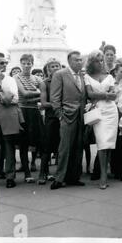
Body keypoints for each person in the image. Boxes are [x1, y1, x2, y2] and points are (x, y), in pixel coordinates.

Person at [50, 50, 87, 189]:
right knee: (64, 148)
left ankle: (74, 177)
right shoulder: (60, 74)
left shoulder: (83, 76)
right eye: (76, 60)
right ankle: (59, 178)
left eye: (80, 60)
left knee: (78, 147)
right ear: (69, 61)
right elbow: (54, 97)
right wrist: (59, 114)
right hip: (67, 115)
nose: (80, 62)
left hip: (81, 116)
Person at [84, 50, 119, 189]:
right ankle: (103, 174)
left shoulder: (109, 76)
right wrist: (106, 95)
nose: (100, 63)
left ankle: (105, 172)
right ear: (91, 62)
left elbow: (114, 95)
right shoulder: (87, 76)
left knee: (109, 144)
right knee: (102, 142)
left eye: (101, 60)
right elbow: (90, 94)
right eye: (97, 60)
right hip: (98, 111)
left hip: (111, 112)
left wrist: (103, 95)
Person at [14, 54, 44, 182]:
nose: (27, 65)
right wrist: (38, 93)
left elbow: (44, 94)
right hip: (23, 111)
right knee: (23, 143)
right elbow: (24, 94)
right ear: (21, 64)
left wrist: (38, 94)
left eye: (29, 63)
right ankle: (27, 173)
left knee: (39, 141)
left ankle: (43, 172)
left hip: (35, 112)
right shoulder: (16, 77)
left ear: (32, 64)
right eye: (24, 63)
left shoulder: (37, 78)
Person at [0, 53, 22, 188]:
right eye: (1, 63)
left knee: (8, 146)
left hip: (7, 113)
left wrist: (1, 97)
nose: (5, 65)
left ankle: (10, 176)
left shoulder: (10, 79)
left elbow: (16, 98)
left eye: (6, 63)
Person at [37, 58, 62, 184]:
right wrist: (58, 105)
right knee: (47, 147)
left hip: (63, 117)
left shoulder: (64, 81)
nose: (56, 68)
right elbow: (43, 103)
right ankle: (42, 173)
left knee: (61, 147)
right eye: (52, 66)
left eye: (57, 65)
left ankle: (60, 173)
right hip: (51, 118)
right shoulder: (45, 83)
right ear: (48, 69)